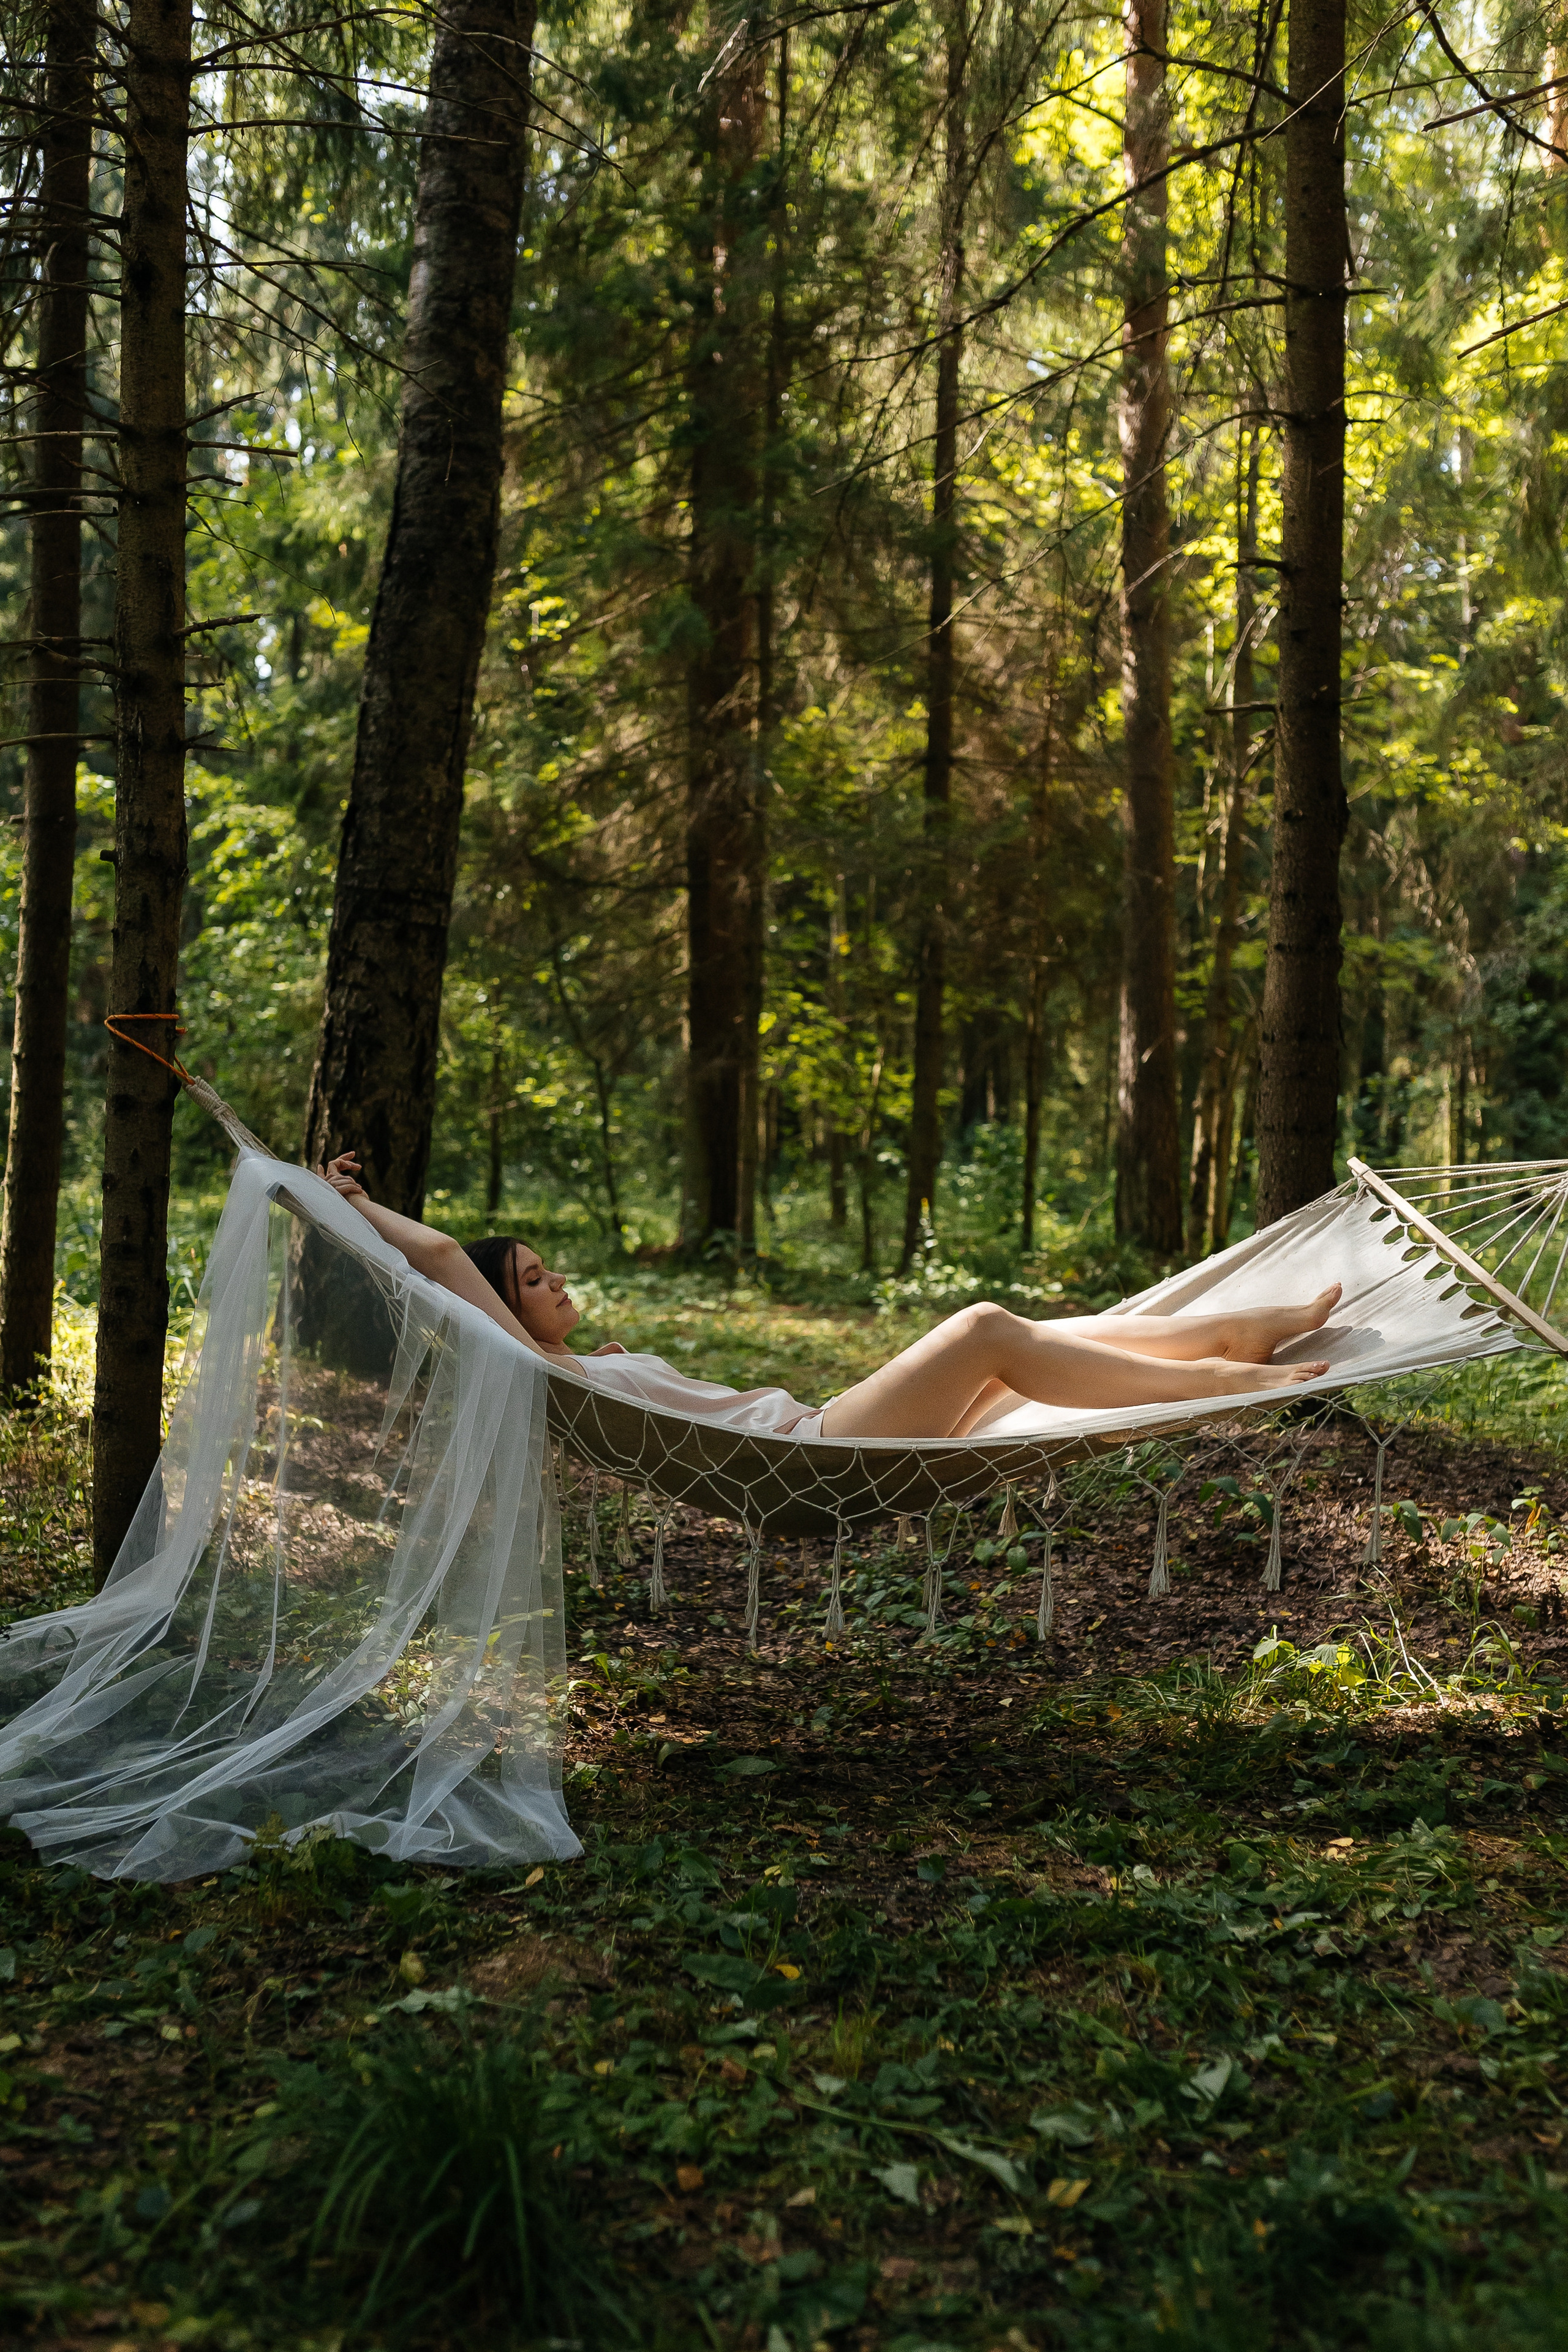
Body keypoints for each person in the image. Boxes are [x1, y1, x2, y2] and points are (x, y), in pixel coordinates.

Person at [318, 1153, 1337, 1441]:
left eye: (548, 1270)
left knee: (1033, 1337)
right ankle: (1221, 1376)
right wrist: (360, 1207)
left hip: (817, 1427)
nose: (556, 1285)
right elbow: (447, 1259)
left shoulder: (590, 1367)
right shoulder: (542, 1371)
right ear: (509, 1313)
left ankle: (1249, 1327)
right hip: (813, 1455)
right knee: (984, 1326)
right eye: (532, 1282)